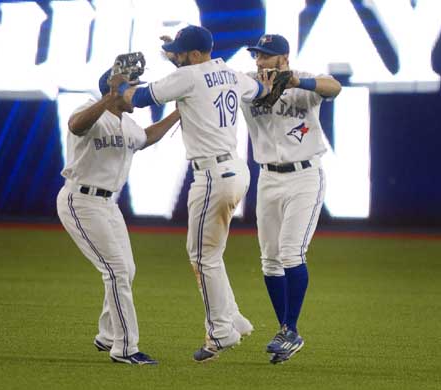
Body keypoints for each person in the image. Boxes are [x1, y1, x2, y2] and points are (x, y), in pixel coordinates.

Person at [111, 25, 275, 362]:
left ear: (196, 54)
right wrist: (172, 52)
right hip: (236, 169)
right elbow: (259, 89)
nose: (178, 57)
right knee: (209, 254)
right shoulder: (227, 71)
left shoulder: (189, 76)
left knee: (203, 256)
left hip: (213, 175)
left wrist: (118, 86)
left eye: (183, 52)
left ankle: (221, 332)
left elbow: (140, 98)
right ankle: (234, 318)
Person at [56, 67, 180, 365]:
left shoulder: (127, 122)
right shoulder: (91, 110)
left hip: (108, 204)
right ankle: (125, 348)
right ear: (113, 91)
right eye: (131, 88)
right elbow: (76, 126)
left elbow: (147, 137)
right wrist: (107, 98)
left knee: (127, 269)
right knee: (116, 271)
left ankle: (107, 334)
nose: (136, 93)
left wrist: (178, 114)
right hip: (81, 200)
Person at [241, 34, 342, 364]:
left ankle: (291, 328)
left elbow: (333, 87)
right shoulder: (247, 85)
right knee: (269, 260)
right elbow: (212, 85)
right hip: (268, 177)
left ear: (283, 58)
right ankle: (285, 330)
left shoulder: (302, 83)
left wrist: (298, 80)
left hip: (305, 175)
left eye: (266, 57)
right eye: (257, 56)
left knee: (290, 252)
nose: (260, 62)